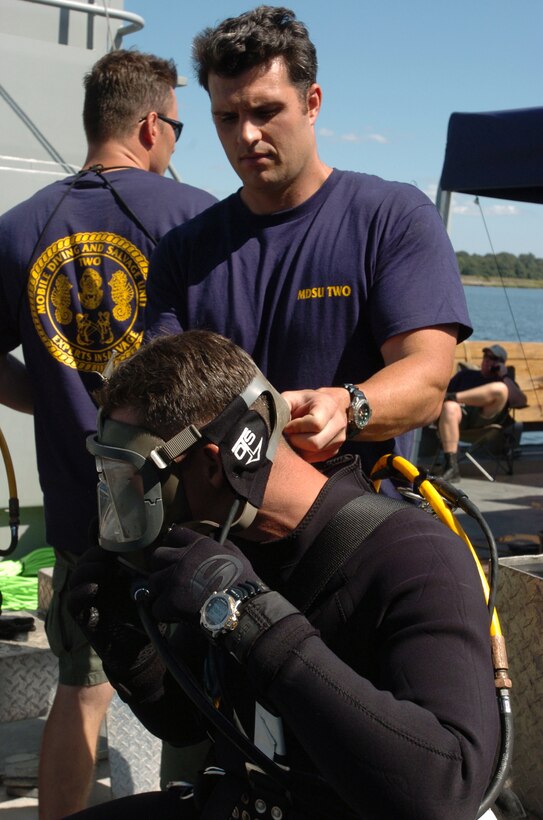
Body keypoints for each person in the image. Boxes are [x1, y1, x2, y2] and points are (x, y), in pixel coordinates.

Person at [65, 329, 499, 820]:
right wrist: (131, 649)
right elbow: (193, 724)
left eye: (132, 483)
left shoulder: (414, 558)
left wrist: (252, 620)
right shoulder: (227, 547)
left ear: (215, 466)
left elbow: (448, 793)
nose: (120, 509)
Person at [0, 49, 216, 819]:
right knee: (200, 691)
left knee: (81, 690)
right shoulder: (193, 216)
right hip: (186, 515)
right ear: (152, 125)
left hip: (80, 520)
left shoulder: (22, 226)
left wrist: (61, 407)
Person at [144, 5, 473, 480]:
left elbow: (426, 379)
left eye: (265, 111)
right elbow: (163, 400)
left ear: (312, 102)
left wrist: (349, 405)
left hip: (356, 524)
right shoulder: (183, 251)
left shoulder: (392, 218)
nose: (247, 134)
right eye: (227, 117)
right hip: (222, 534)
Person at [436, 343, 527, 481]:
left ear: (501, 363)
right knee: (449, 407)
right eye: (486, 356)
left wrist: (505, 376)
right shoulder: (466, 375)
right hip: (460, 418)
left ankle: (454, 398)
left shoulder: (504, 381)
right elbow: (442, 393)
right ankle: (451, 467)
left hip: (486, 420)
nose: (487, 360)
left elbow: (520, 402)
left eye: (493, 358)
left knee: (501, 389)